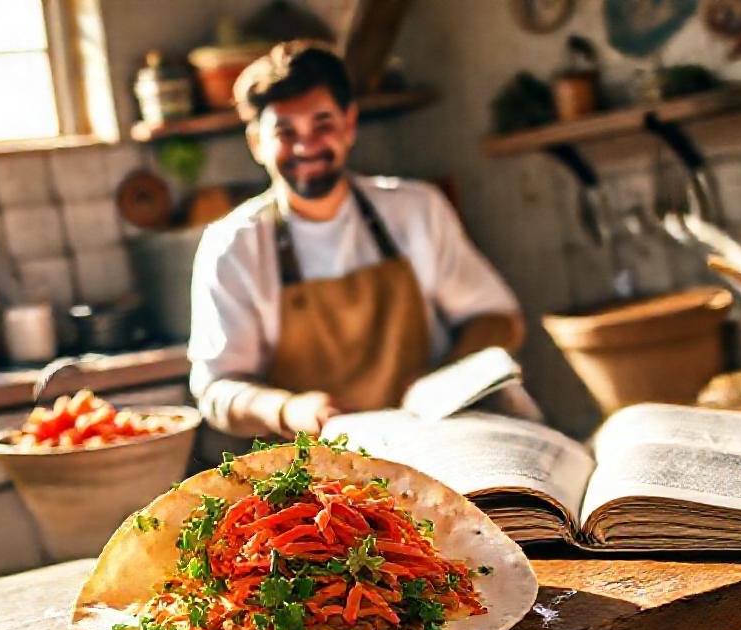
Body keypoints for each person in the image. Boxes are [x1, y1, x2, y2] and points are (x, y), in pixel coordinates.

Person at [188, 41, 525, 441]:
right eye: (285, 131)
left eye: (323, 124)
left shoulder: (416, 210)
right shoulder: (233, 246)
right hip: (314, 472)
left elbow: (499, 321)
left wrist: (439, 385)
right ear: (257, 144)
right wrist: (287, 408)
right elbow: (216, 389)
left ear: (349, 126)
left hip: (432, 441)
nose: (305, 146)